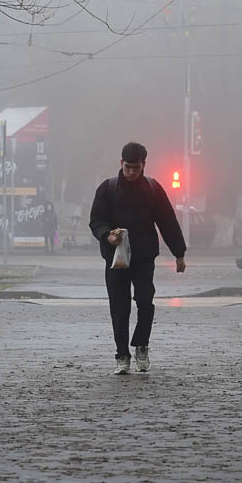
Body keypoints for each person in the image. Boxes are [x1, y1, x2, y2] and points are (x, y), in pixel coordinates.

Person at [89, 142, 186, 375]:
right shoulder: (107, 189)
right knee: (119, 307)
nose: (131, 172)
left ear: (144, 165)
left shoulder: (153, 189)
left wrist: (179, 253)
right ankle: (122, 355)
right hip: (115, 260)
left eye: (136, 167)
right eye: (127, 167)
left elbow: (167, 221)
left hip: (144, 258)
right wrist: (106, 235)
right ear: (120, 163)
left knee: (144, 300)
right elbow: (96, 220)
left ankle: (141, 345)